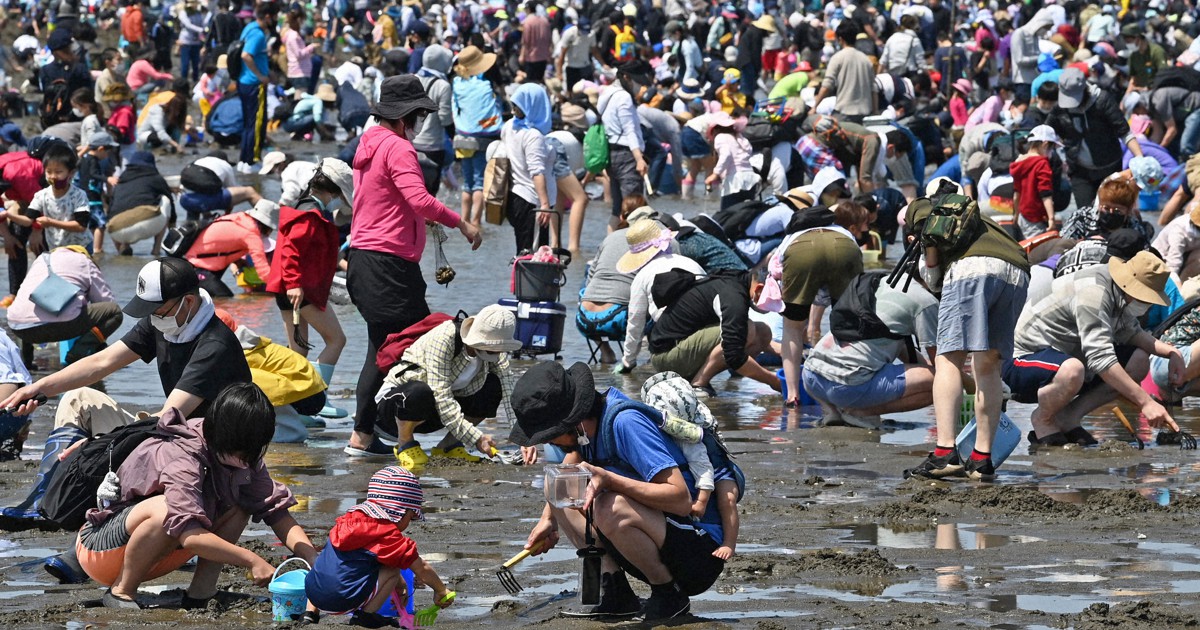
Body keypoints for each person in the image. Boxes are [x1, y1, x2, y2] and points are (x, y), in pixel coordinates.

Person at [510, 361, 730, 621]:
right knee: (557, 482)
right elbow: (562, 482)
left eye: (548, 435)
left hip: (700, 550)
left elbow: (681, 500)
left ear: (573, 421)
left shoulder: (626, 423)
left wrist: (612, 481)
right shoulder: (586, 431)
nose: (547, 442)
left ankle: (669, 594)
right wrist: (549, 521)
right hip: (662, 533)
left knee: (608, 506)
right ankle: (615, 593)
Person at [74, 383, 317, 609]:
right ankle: (121, 591)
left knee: (242, 504)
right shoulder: (182, 455)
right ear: (223, 436)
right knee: (166, 509)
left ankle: (202, 593)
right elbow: (189, 535)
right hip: (103, 550)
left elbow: (276, 510)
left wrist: (311, 556)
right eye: (243, 451)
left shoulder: (245, 456)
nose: (248, 459)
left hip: (161, 550)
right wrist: (252, 560)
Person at [345, 75, 481, 457]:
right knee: (425, 345)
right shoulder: (399, 148)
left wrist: (422, 219)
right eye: (420, 115)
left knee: (383, 348)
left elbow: (389, 200)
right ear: (408, 116)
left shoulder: (368, 143)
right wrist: (463, 223)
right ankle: (410, 434)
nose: (422, 121)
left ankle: (365, 435)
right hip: (388, 267)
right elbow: (419, 199)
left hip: (364, 261)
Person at [901, 184, 1030, 481]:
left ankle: (946, 452)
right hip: (1017, 270)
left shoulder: (926, 209)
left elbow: (933, 271)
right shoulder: (980, 217)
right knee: (989, 365)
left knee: (948, 359)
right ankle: (981, 460)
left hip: (972, 271)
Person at [1005, 251, 1184, 446]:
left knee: (1139, 360)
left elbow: (1131, 333)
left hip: (1066, 361)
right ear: (1131, 287)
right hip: (1021, 363)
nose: (1147, 304)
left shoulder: (1119, 290)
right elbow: (1101, 360)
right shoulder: (1094, 291)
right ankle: (1044, 419)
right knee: (1072, 370)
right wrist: (1146, 402)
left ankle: (1068, 417)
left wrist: (1171, 352)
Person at [377, 305, 535, 470]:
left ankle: (448, 447)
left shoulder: (497, 348)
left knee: (492, 387)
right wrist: (476, 438)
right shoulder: (445, 338)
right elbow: (441, 397)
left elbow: (510, 391)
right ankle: (405, 444)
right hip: (397, 406)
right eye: (491, 347)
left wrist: (523, 438)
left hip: (437, 412)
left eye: (499, 348)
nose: (496, 353)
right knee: (420, 392)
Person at [302, 466, 454, 627]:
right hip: (342, 601)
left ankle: (310, 614)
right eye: (411, 516)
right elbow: (421, 568)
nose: (410, 522)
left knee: (328, 562)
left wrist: (401, 585)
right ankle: (365, 616)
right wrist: (440, 590)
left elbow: (367, 560)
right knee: (393, 571)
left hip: (313, 591)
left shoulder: (349, 520)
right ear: (400, 512)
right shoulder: (387, 535)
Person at [266, 158, 351, 420]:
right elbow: (291, 250)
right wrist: (294, 285)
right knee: (336, 340)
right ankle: (318, 399)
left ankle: (297, 411)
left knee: (298, 352)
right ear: (331, 192)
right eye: (338, 195)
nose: (339, 201)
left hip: (287, 288)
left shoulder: (306, 207)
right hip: (297, 289)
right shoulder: (310, 214)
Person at [803, 274, 939, 428]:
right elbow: (942, 365)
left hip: (812, 376)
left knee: (932, 374)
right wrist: (968, 385)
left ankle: (832, 410)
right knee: (937, 381)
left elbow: (905, 353)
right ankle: (861, 412)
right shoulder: (925, 301)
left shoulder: (884, 281)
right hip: (847, 387)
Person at [646, 267, 779, 396]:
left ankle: (741, 370)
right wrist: (774, 381)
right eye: (769, 301)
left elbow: (758, 341)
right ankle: (699, 384)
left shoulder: (736, 279)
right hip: (666, 357)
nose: (767, 308)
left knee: (763, 331)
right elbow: (733, 354)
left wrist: (792, 355)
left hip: (679, 347)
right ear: (759, 288)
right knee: (747, 329)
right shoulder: (733, 296)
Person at [616, 219, 705, 376]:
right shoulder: (691, 263)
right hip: (707, 334)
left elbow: (635, 323)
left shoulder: (641, 277)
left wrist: (628, 361)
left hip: (675, 341)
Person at [7, 246, 121, 365]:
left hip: (19, 327)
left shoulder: (41, 259)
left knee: (26, 311)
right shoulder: (85, 261)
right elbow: (106, 302)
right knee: (115, 312)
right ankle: (77, 354)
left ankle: (26, 362)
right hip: (64, 325)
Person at [1048, 68, 1143, 208]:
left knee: (1112, 211)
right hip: (1079, 170)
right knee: (1085, 212)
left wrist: (1140, 158)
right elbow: (1047, 132)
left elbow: (1124, 132)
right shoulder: (1060, 107)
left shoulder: (1102, 101)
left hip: (1109, 168)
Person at [451, 46, 503, 226]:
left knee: (467, 183)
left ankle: (463, 222)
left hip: (463, 137)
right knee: (480, 183)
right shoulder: (486, 84)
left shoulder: (456, 84)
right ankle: (475, 223)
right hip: (484, 138)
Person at [183, 201, 278, 297]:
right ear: (267, 227)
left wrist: (238, 261)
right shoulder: (250, 234)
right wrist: (284, 289)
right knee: (226, 299)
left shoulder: (238, 218)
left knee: (213, 301)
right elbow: (263, 270)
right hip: (198, 267)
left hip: (192, 263)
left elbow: (221, 243)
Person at [503, 83, 556, 253]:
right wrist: (545, 205)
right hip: (532, 202)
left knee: (524, 251)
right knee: (534, 257)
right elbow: (537, 172)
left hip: (516, 197)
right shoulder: (533, 135)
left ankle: (516, 280)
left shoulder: (509, 126)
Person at [9, 144, 90, 255]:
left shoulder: (79, 195)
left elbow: (81, 226)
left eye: (58, 172)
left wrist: (51, 222)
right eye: (49, 172)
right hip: (56, 249)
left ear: (71, 173)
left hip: (80, 248)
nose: (52, 176)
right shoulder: (41, 195)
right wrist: (8, 215)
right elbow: (28, 220)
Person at [600, 61, 650, 228]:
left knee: (617, 209)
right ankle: (631, 251)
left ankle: (608, 250)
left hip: (611, 155)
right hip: (627, 156)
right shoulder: (624, 97)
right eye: (637, 82)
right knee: (635, 210)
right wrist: (639, 159)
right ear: (626, 77)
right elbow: (630, 131)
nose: (639, 87)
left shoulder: (607, 93)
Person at [236, 3, 278, 173]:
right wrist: (261, 76)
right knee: (257, 124)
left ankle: (243, 160)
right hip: (254, 84)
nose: (275, 20)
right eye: (274, 17)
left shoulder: (249, 27)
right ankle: (252, 161)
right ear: (267, 16)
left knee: (249, 123)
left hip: (245, 82)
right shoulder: (258, 34)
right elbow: (246, 55)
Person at [105, 151, 172, 255]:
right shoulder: (155, 178)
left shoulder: (120, 181)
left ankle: (122, 248)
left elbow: (110, 209)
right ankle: (156, 249)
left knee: (113, 217)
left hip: (117, 232)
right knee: (165, 200)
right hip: (149, 225)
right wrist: (173, 228)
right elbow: (170, 200)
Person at [812, 21, 875, 124]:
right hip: (865, 113)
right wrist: (875, 111)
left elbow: (827, 85)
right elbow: (874, 88)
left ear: (840, 39)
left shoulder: (837, 58)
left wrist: (814, 107)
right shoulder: (866, 60)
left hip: (845, 113)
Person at [413, 45, 454, 196]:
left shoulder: (413, 79)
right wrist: (454, 137)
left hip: (410, 144)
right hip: (433, 146)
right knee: (429, 196)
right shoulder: (443, 86)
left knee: (411, 193)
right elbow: (445, 119)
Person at [1011, 125, 1062, 238]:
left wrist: (1016, 214)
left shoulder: (1019, 163)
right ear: (1045, 144)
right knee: (1037, 249)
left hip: (1023, 216)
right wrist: (1051, 218)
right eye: (1051, 147)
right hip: (1036, 216)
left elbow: (1016, 193)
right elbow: (1045, 193)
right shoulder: (1042, 164)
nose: (1051, 152)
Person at [76, 131, 118, 252]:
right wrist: (107, 178)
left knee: (90, 224)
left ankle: (91, 247)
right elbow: (94, 174)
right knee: (100, 224)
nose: (109, 154)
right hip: (92, 197)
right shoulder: (93, 160)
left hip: (85, 195)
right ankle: (97, 249)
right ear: (100, 149)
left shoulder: (84, 159)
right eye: (108, 151)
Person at [1153, 203, 1200, 281]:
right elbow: (1173, 263)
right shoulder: (1179, 230)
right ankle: (1183, 289)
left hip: (1186, 254)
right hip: (1163, 259)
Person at [282, 7, 317, 93]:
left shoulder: (292, 34)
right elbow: (299, 54)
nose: (303, 23)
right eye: (302, 20)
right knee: (299, 100)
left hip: (300, 72)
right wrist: (311, 47)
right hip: (299, 73)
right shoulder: (293, 36)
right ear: (298, 20)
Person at [518, 0, 550, 83]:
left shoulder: (528, 22)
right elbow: (548, 39)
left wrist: (522, 56)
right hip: (543, 56)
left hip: (532, 57)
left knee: (531, 82)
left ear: (528, 9)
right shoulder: (545, 21)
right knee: (540, 80)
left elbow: (526, 41)